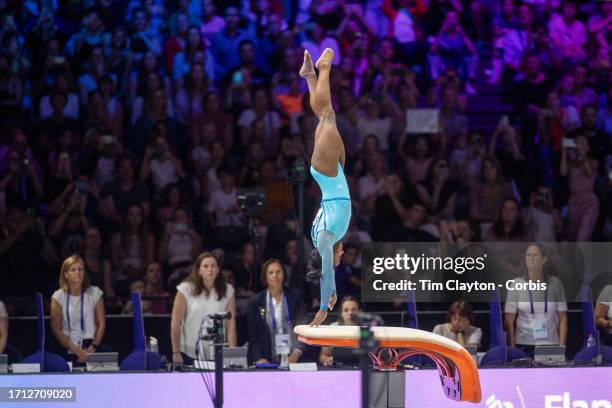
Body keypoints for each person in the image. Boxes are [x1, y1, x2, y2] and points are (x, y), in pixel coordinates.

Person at [299, 48, 350, 326]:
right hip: (335, 173)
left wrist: (323, 305)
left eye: (336, 259)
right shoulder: (326, 235)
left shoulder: (325, 239)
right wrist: (331, 293)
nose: (341, 255)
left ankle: (324, 67)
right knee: (325, 117)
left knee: (328, 115)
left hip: (327, 175)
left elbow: (327, 271)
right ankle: (309, 76)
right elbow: (328, 272)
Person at [170, 252, 236, 364]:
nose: (210, 269)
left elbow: (231, 325)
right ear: (199, 270)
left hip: (217, 352)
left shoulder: (228, 290)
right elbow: (175, 323)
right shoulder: (185, 289)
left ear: (218, 269)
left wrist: (232, 354)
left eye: (213, 266)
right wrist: (176, 352)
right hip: (189, 352)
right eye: (205, 266)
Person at [504, 243, 568, 358]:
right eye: (528, 255)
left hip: (551, 344)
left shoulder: (555, 284)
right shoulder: (516, 284)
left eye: (535, 255)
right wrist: (513, 350)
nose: (530, 258)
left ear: (544, 259)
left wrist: (562, 347)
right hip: (524, 344)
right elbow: (509, 320)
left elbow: (563, 318)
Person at [247, 259, 305, 365]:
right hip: (266, 358)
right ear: (265, 276)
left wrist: (297, 352)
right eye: (271, 272)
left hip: (293, 356)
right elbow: (253, 335)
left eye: (278, 272)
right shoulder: (256, 301)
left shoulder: (295, 296)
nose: (275, 275)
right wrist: (259, 357)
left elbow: (302, 326)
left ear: (284, 274)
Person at [50, 255, 106, 363]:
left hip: (92, 345)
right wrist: (75, 350)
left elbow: (101, 323)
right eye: (73, 270)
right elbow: (57, 330)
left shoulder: (95, 292)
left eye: (80, 269)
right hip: (67, 345)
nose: (78, 272)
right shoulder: (58, 296)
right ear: (66, 274)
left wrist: (93, 347)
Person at [319, 296, 361, 367]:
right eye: (346, 310)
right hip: (338, 369)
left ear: (360, 312)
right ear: (341, 313)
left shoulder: (367, 328)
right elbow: (323, 355)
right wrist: (326, 360)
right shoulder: (332, 329)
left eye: (353, 309)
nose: (350, 313)